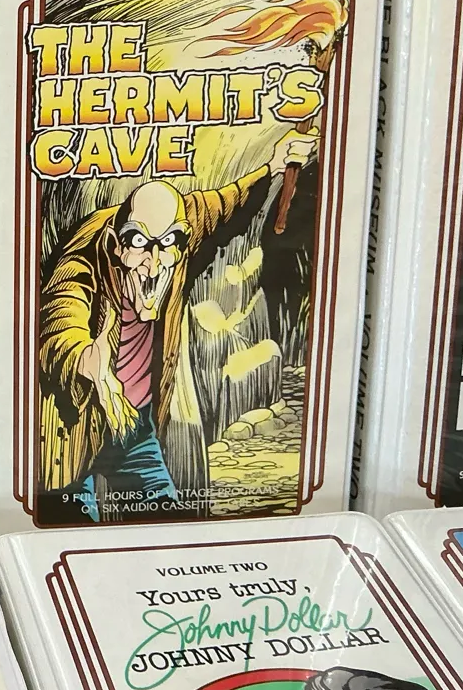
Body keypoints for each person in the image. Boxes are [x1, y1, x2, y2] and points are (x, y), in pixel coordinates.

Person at [39, 129, 316, 522]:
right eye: (139, 243)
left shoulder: (178, 232)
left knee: (161, 521)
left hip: (135, 425)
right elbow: (60, 319)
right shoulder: (84, 259)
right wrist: (86, 361)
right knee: (68, 528)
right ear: (117, 244)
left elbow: (222, 204)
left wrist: (273, 165)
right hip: (76, 433)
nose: (153, 262)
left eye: (167, 243)